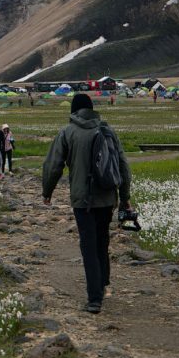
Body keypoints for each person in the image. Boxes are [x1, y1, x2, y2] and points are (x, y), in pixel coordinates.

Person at [42, 93, 131, 314]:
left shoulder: (67, 132)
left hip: (83, 200)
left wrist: (47, 192)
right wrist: (125, 198)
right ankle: (102, 283)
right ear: (91, 109)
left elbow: (54, 165)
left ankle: (94, 298)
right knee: (102, 240)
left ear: (73, 111)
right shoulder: (107, 131)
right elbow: (123, 167)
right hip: (108, 197)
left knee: (88, 246)